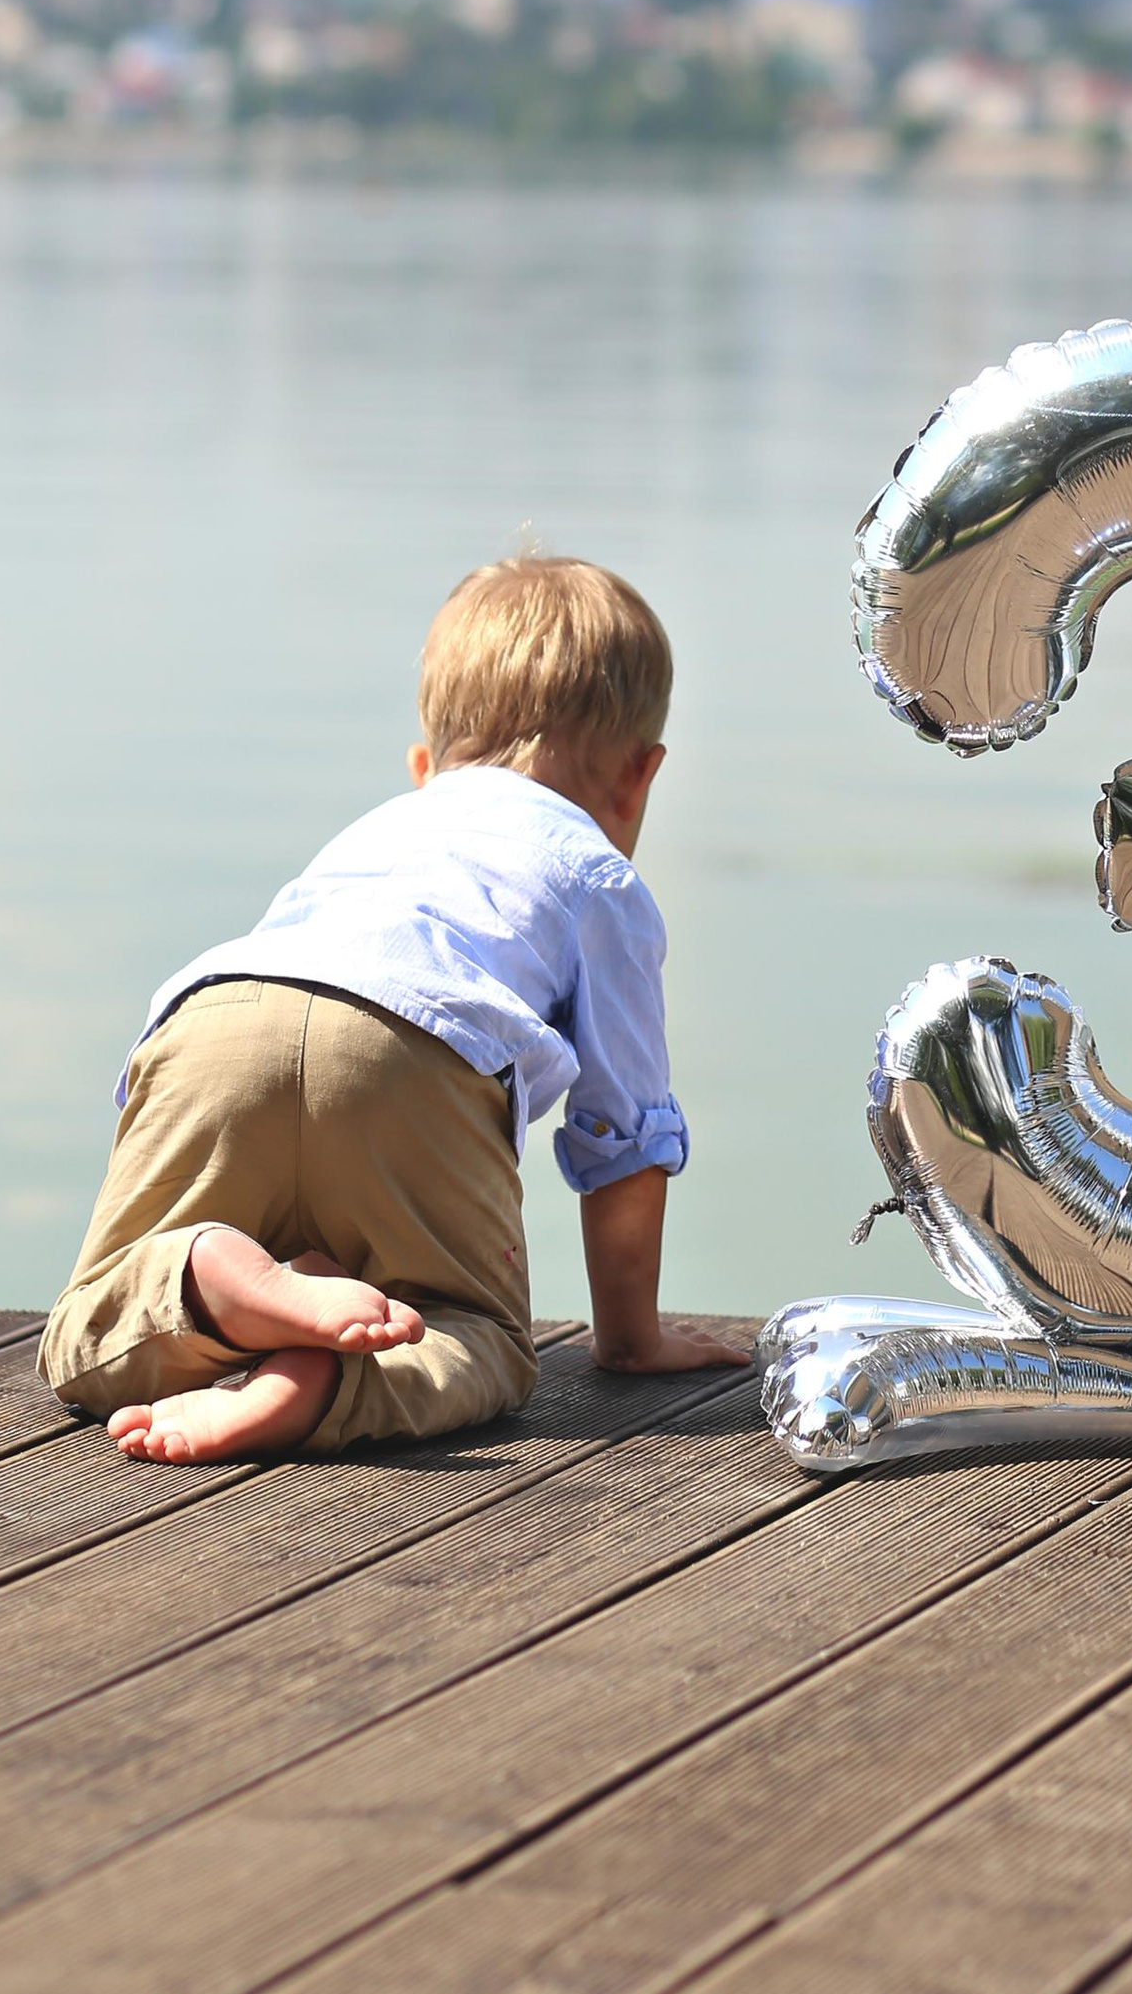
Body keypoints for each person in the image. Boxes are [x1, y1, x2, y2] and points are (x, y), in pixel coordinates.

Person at [37, 552, 753, 1463]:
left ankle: (213, 1281)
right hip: (414, 1047)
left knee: (87, 1336)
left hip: (214, 1018)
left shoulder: (372, 832)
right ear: (639, 778)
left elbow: (297, 1018)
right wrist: (631, 1339)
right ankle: (324, 1382)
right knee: (478, 1341)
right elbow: (624, 1135)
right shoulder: (597, 874)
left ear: (424, 766)